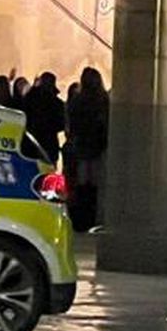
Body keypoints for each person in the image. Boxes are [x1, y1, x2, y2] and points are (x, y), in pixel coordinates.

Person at [67, 66, 110, 232]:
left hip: (81, 147)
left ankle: (81, 218)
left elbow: (72, 124)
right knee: (95, 184)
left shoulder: (77, 101)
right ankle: (93, 217)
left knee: (82, 184)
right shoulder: (102, 100)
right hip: (98, 147)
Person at [24, 71, 66, 164]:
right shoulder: (56, 103)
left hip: (31, 144)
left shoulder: (30, 98)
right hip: (49, 144)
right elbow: (62, 123)